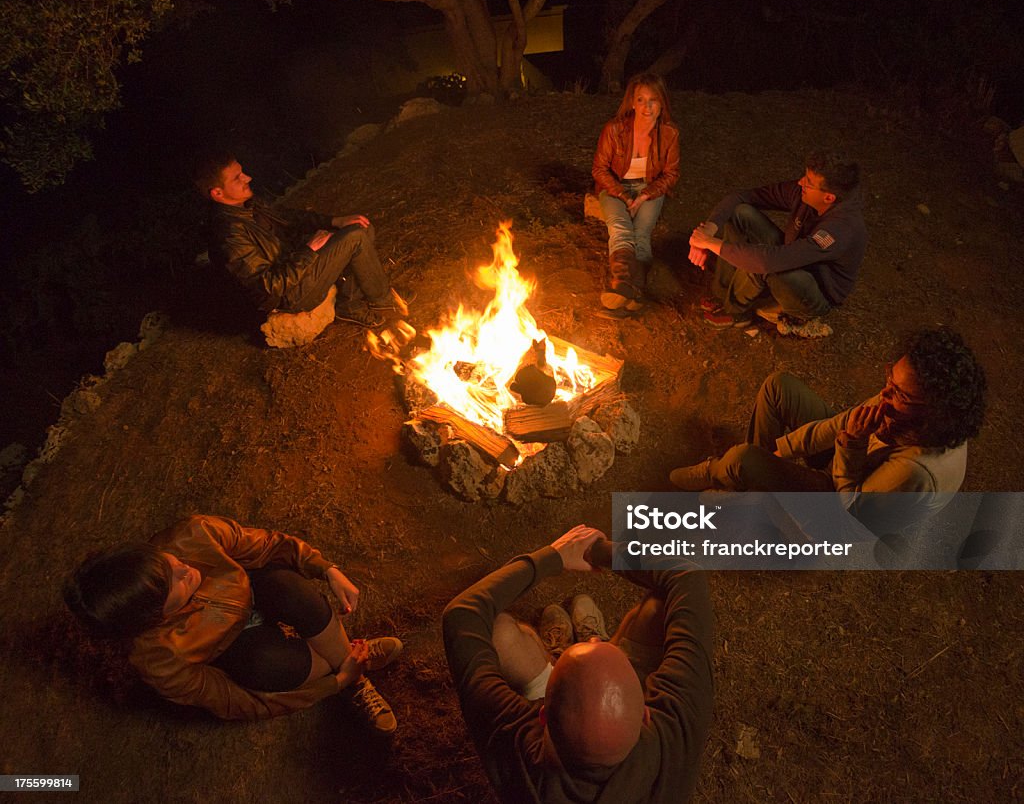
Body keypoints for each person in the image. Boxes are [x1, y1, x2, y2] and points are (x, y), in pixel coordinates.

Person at [442, 524, 714, 803]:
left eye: (595, 643)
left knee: (496, 631)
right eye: (599, 644)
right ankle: (595, 659)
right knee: (660, 606)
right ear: (645, 715)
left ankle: (560, 663)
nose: (597, 642)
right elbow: (685, 574)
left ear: (543, 715)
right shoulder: (674, 735)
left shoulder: (518, 752)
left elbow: (462, 614)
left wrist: (558, 555)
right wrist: (601, 552)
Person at [64, 514, 402, 731]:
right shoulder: (157, 658)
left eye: (169, 563)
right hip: (237, 645)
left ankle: (356, 673)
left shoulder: (192, 535)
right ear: (157, 616)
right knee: (265, 665)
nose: (185, 568)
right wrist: (336, 683)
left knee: (289, 588)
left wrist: (326, 568)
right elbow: (237, 701)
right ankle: (350, 670)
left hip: (255, 589)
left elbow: (267, 545)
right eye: (176, 584)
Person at [668, 328, 987, 530]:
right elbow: (839, 423)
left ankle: (727, 476)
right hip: (854, 463)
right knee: (778, 388)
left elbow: (851, 514)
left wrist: (852, 445)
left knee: (742, 460)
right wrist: (781, 453)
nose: (886, 393)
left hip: (845, 506)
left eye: (899, 393)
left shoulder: (915, 472)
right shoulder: (905, 397)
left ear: (932, 412)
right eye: (890, 379)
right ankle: (747, 485)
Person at [193, 152, 406, 328]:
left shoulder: (249, 205)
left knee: (358, 226)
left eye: (242, 173)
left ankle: (350, 305)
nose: (247, 178)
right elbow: (268, 286)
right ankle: (385, 303)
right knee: (356, 237)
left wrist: (335, 221)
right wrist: (308, 250)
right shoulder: (228, 235)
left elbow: (291, 217)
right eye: (237, 178)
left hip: (295, 265)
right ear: (218, 193)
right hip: (288, 296)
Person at [687, 150, 865, 338]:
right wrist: (709, 229)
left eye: (809, 183)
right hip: (794, 258)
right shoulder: (803, 194)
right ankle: (723, 295)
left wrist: (710, 243)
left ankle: (737, 312)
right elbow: (741, 197)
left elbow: (770, 261)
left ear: (829, 197)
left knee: (766, 263)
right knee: (741, 213)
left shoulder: (840, 229)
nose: (800, 183)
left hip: (814, 294)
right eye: (804, 176)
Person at [592, 72, 681, 318]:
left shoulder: (670, 134)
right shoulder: (614, 129)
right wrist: (622, 194)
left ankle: (632, 292)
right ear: (632, 102)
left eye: (652, 100)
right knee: (621, 228)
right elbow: (599, 169)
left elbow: (671, 174)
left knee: (641, 235)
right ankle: (623, 286)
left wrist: (643, 197)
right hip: (614, 187)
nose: (646, 107)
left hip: (649, 188)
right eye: (640, 100)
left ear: (662, 102)